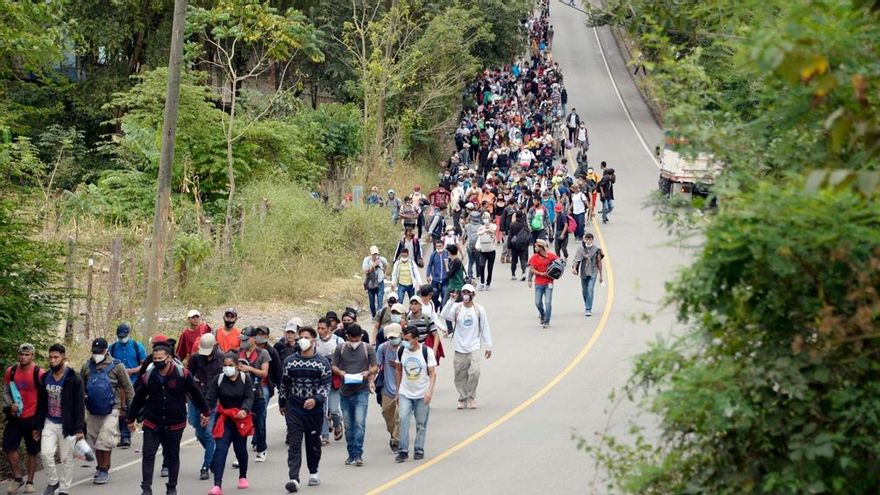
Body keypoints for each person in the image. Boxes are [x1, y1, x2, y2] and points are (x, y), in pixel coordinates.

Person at [128, 339, 209, 495]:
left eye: (161, 359)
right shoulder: (149, 376)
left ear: (169, 358)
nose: (158, 361)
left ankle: (171, 487)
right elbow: (139, 398)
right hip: (153, 422)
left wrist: (205, 412)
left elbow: (195, 394)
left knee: (172, 455)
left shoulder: (182, 374)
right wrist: (130, 419)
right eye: (155, 359)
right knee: (148, 454)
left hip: (175, 423)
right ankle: (146, 488)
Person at [279, 326, 331, 493]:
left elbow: (326, 387)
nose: (302, 340)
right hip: (294, 408)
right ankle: (293, 478)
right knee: (294, 444)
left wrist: (315, 400)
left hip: (314, 411)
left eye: (306, 337)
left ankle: (313, 472)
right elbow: (284, 384)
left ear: (313, 340)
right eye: (300, 336)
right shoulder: (290, 361)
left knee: (313, 443)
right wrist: (282, 403)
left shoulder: (322, 363)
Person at [80, 338, 134, 485]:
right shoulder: (86, 366)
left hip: (112, 409)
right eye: (94, 352)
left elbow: (128, 388)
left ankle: (104, 469)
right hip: (92, 410)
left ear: (106, 351)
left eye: (99, 352)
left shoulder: (117, 366)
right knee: (96, 441)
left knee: (105, 439)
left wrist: (131, 411)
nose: (96, 354)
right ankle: (100, 466)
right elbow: (80, 387)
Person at [36, 344, 84, 495]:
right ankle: (53, 482)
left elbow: (79, 405)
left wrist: (79, 429)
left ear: (64, 358)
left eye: (56, 357)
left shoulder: (74, 378)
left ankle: (64, 489)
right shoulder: (45, 377)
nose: (53, 360)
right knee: (45, 453)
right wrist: (37, 426)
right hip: (49, 422)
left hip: (67, 425)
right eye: (50, 357)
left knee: (65, 458)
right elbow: (41, 403)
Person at [206, 352, 254, 495]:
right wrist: (206, 413)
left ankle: (243, 476)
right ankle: (217, 485)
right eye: (225, 365)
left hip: (240, 420)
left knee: (240, 450)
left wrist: (245, 410)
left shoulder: (245, 379)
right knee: (220, 449)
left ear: (238, 366)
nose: (228, 368)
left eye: (231, 365)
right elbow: (210, 398)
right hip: (224, 419)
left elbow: (249, 397)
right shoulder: (219, 379)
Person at [330, 324, 378, 466]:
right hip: (345, 392)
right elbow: (333, 365)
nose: (355, 341)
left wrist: (368, 373)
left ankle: (358, 453)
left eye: (357, 338)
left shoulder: (367, 348)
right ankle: (351, 453)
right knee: (349, 425)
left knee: (359, 423)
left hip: (361, 390)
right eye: (352, 338)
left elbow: (375, 366)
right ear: (347, 337)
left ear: (361, 337)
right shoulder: (341, 348)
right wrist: (340, 373)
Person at [440, 284, 492, 410]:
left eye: (468, 292)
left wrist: (488, 346)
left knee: (475, 372)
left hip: (474, 346)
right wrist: (451, 300)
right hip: (459, 347)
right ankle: (463, 398)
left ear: (473, 294)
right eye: (464, 292)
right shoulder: (457, 308)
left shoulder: (479, 310)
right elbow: (444, 314)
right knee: (459, 375)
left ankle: (471, 396)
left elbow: (485, 327)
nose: (466, 295)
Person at [2, 343, 43, 494]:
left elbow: (45, 396)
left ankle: (30, 482)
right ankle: (18, 478)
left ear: (33, 356)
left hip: (32, 418)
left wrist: (41, 421)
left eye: (27, 355)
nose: (23, 357)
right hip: (15, 417)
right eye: (21, 354)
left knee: (32, 451)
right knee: (9, 447)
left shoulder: (39, 373)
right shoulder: (11, 371)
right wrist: (9, 405)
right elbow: (5, 391)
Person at [393, 326, 437, 463]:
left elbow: (432, 374)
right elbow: (398, 371)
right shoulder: (401, 351)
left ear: (416, 339)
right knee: (403, 419)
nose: (405, 342)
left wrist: (429, 391)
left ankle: (419, 449)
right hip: (405, 392)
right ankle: (403, 450)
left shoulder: (426, 352)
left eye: (408, 340)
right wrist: (398, 391)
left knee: (421, 423)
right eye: (403, 339)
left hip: (421, 393)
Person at [187, 333, 223, 481]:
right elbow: (188, 378)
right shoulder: (195, 358)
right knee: (200, 434)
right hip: (197, 401)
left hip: (213, 402)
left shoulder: (222, 359)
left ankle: (205, 467)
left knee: (208, 434)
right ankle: (213, 458)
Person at [108, 323, 146, 449]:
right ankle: (124, 435)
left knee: (131, 407)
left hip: (134, 381)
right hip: (117, 384)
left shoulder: (137, 346)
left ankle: (130, 430)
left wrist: (131, 371)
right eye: (120, 336)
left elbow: (143, 365)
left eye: (124, 336)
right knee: (120, 408)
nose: (122, 338)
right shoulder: (112, 348)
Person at [237, 327, 271, 463]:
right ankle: (240, 454)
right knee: (240, 425)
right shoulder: (238, 353)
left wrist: (249, 368)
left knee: (259, 424)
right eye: (242, 339)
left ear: (253, 339)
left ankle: (262, 449)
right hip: (240, 395)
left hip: (257, 394)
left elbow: (264, 373)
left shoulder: (263, 353)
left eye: (246, 339)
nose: (243, 342)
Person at [315, 319, 344, 445]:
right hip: (319, 381)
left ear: (329, 328)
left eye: (323, 328)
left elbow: (344, 359)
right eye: (319, 328)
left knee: (333, 410)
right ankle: (324, 435)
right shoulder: (314, 342)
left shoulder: (338, 341)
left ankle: (337, 425)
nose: (320, 331)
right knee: (321, 409)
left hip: (334, 380)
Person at [374, 324, 402, 454]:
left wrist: (399, 366)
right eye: (390, 337)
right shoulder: (383, 348)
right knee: (386, 412)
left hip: (403, 389)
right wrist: (371, 380)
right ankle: (393, 433)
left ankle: (396, 440)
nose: (393, 340)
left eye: (395, 337)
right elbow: (377, 366)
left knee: (399, 416)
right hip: (387, 387)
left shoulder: (406, 348)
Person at [528, 239, 559, 328]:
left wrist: (556, 273)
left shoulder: (551, 256)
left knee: (548, 302)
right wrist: (530, 279)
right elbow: (531, 269)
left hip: (549, 282)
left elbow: (559, 264)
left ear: (541, 247)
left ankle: (546, 321)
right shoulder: (534, 257)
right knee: (537, 302)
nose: (535, 248)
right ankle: (543, 314)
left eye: (536, 246)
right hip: (539, 283)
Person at [572, 233, 605, 316]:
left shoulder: (596, 250)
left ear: (592, 240)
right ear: (584, 239)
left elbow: (599, 263)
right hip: (584, 272)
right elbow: (577, 259)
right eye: (586, 239)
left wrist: (601, 276)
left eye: (590, 239)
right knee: (585, 291)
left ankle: (588, 308)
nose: (588, 241)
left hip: (593, 271)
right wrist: (574, 268)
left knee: (590, 289)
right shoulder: (581, 249)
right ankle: (587, 303)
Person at [362, 245, 389, 319]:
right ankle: (374, 315)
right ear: (370, 254)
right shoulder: (367, 260)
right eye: (373, 254)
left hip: (380, 282)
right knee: (372, 301)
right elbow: (365, 271)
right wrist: (373, 265)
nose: (375, 255)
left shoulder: (382, 259)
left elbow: (386, 265)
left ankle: (379, 316)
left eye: (376, 254)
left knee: (380, 300)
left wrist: (384, 274)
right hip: (371, 283)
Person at [475, 211, 497, 290]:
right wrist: (484, 230)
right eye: (484, 218)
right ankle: (482, 282)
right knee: (482, 266)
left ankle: (488, 283)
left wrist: (486, 230)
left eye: (487, 218)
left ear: (490, 218)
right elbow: (479, 233)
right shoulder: (481, 227)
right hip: (483, 251)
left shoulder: (493, 226)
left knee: (490, 268)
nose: (485, 220)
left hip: (491, 250)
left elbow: (493, 230)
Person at [425, 239, 449, 308]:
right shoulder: (434, 254)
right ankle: (436, 306)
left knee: (444, 297)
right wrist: (427, 275)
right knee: (434, 297)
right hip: (435, 280)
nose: (438, 247)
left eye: (440, 246)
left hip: (445, 280)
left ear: (443, 246)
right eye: (437, 246)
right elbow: (429, 265)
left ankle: (442, 309)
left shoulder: (446, 253)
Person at [508, 212, 530, 280]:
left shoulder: (512, 225)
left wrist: (509, 245)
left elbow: (510, 236)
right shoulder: (524, 225)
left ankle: (513, 274)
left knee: (514, 260)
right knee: (522, 259)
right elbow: (528, 234)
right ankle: (523, 273)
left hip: (514, 244)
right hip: (522, 244)